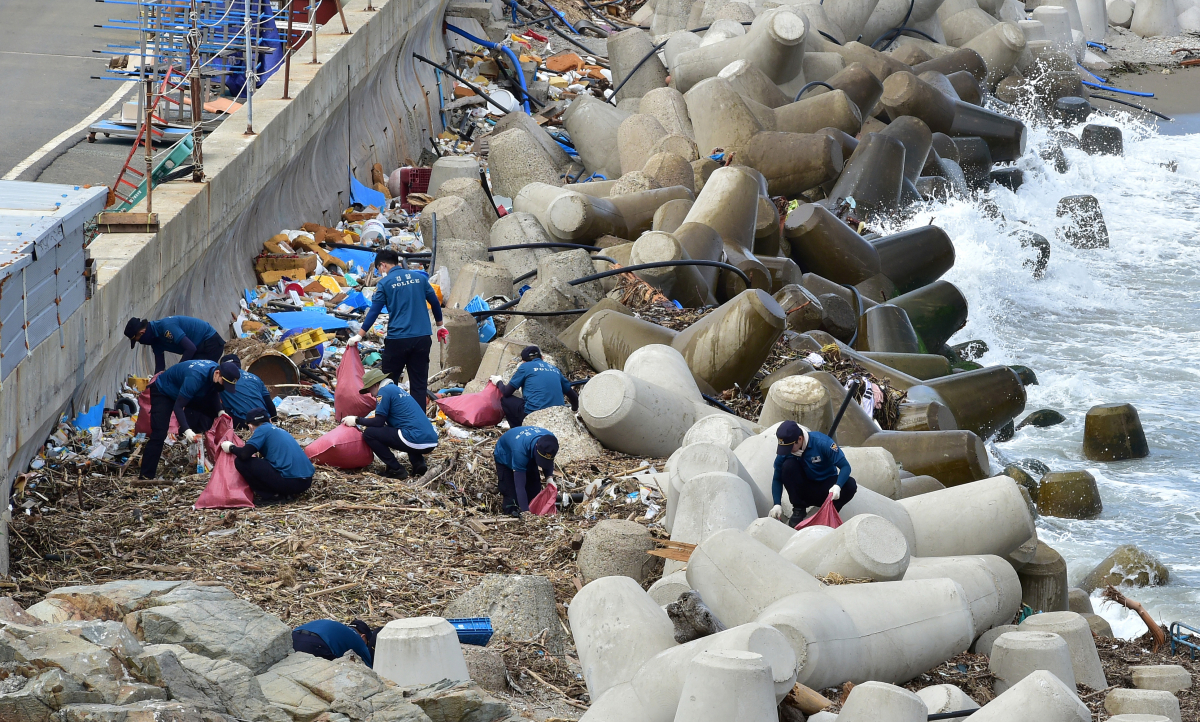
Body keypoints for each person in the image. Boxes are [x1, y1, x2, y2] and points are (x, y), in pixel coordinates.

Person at [348, 249, 447, 410]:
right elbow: (435, 302)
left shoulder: (385, 284)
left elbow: (374, 311)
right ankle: (418, 424)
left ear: (383, 265)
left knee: (387, 383)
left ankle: (389, 419)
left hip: (398, 340)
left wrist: (359, 335)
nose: (380, 272)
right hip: (422, 338)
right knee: (419, 385)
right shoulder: (419, 278)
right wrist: (440, 325)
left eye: (379, 269)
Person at [141, 359, 239, 480]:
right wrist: (187, 429)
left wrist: (220, 411)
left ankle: (216, 455)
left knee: (217, 414)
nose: (223, 386)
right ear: (217, 373)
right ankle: (146, 475)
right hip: (164, 392)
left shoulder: (214, 372)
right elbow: (178, 407)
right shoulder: (195, 377)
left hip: (186, 391)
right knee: (159, 434)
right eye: (224, 383)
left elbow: (213, 392)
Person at [342, 369, 438, 480]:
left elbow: (378, 422)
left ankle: (395, 469)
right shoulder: (397, 390)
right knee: (399, 429)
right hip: (430, 441)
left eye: (370, 390)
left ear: (376, 384)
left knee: (370, 433)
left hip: (415, 439)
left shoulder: (384, 392)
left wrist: (357, 420)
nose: (372, 395)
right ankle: (418, 463)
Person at [769, 420, 858, 527]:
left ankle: (829, 511)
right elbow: (777, 479)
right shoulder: (786, 452)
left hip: (826, 489)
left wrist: (838, 486)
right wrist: (777, 504)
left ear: (800, 439)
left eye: (789, 447)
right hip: (804, 489)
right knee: (788, 465)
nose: (787, 451)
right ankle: (799, 510)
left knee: (850, 485)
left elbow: (845, 467)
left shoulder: (822, 443)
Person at [220, 407, 314, 501]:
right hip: (306, 482)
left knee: (241, 462)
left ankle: (272, 496)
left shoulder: (262, 430)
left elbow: (244, 454)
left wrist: (231, 447)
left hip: (290, 482)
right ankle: (285, 494)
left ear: (250, 427)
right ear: (269, 420)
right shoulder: (279, 430)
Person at [489, 345, 578, 428]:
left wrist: (498, 382)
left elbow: (506, 392)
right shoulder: (555, 369)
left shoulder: (525, 367)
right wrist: (573, 411)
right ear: (542, 357)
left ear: (523, 361)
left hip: (534, 414)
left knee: (506, 400)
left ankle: (518, 430)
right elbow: (573, 397)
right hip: (557, 415)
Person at [492, 426, 559, 517]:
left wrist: (549, 478)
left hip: (528, 453)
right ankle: (512, 517)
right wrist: (526, 512)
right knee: (511, 496)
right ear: (536, 447)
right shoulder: (520, 451)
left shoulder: (550, 441)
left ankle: (533, 511)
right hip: (505, 456)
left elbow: (548, 460)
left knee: (534, 490)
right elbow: (519, 486)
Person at [125, 316, 224, 374]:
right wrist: (154, 383)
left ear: (142, 332)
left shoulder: (166, 327)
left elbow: (190, 349)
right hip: (198, 348)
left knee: (194, 375)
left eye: (138, 340)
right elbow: (160, 367)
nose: (141, 343)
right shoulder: (155, 340)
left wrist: (177, 370)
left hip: (210, 343)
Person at [217, 354, 277, 428]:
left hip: (243, 422)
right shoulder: (255, 378)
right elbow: (269, 403)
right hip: (265, 419)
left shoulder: (222, 379)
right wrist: (274, 420)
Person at [292, 619, 377, 667]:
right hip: (317, 645)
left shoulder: (338, 628)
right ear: (363, 637)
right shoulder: (359, 641)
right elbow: (368, 668)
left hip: (293, 637)